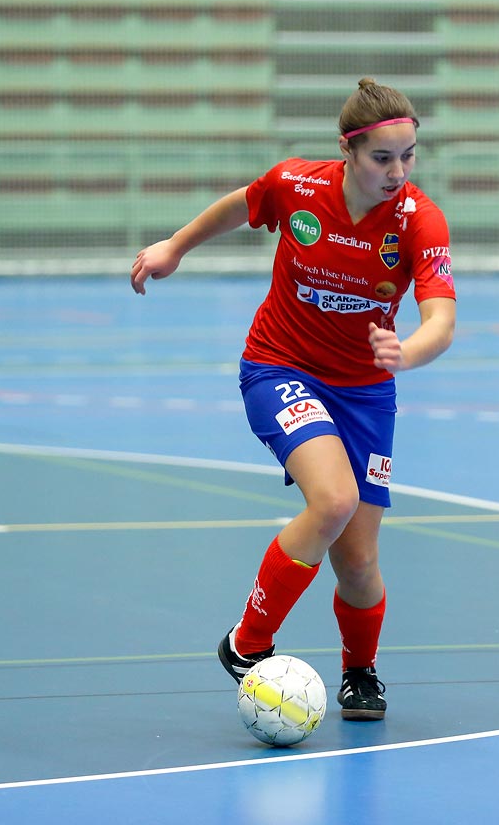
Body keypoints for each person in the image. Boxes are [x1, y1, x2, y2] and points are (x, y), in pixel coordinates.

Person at [130, 78, 457, 720]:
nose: (397, 171)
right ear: (348, 152)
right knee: (332, 499)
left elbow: (441, 319)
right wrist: (174, 247)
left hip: (366, 393)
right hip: (281, 367)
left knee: (359, 562)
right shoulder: (297, 186)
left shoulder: (420, 220)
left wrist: (407, 351)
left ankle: (359, 673)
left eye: (409, 156)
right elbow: (240, 204)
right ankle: (247, 645)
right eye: (382, 158)